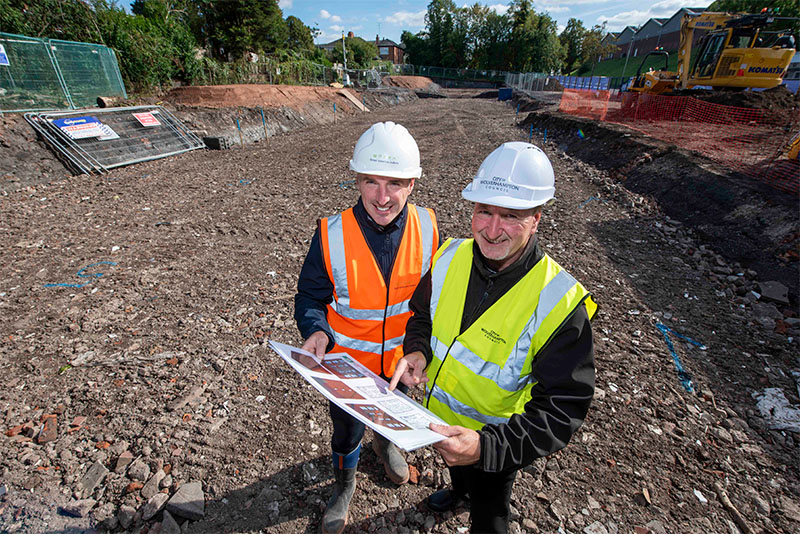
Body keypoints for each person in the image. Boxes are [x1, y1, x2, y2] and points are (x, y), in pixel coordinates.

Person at [390, 142, 597, 534]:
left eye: (511, 216)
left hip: (496, 444)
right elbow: (421, 315)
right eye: (484, 210)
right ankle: (458, 492)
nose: (491, 229)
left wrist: (486, 449)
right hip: (440, 422)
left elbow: (563, 408)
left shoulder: (559, 303)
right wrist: (417, 349)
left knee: (489, 517)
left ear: (537, 218)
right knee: (459, 477)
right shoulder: (449, 256)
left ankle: (475, 501)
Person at [294, 121, 440, 534]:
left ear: (412, 183)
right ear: (356, 179)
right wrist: (316, 328)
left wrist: (421, 350)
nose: (382, 196)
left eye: (395, 183)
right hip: (346, 369)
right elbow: (309, 296)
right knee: (345, 432)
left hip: (400, 365)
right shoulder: (330, 234)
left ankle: (386, 443)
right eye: (370, 181)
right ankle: (344, 485)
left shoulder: (429, 230)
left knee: (391, 417)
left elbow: (430, 304)